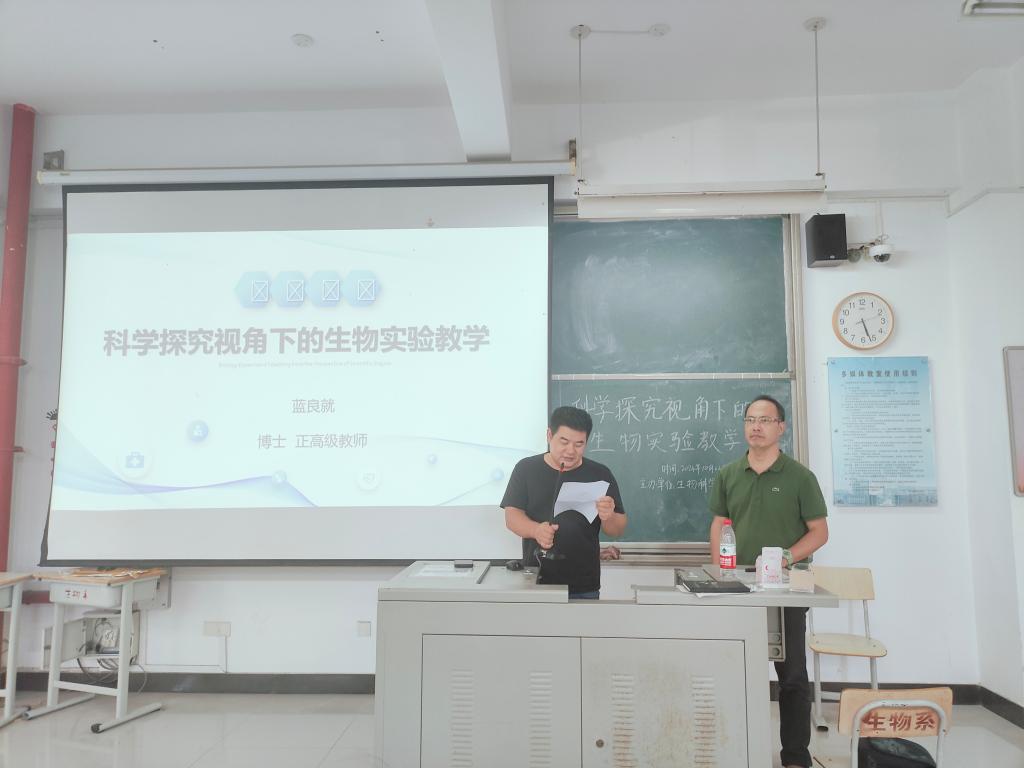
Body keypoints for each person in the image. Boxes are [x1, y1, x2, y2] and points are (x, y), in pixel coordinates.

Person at [708, 395, 828, 768]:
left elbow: (819, 531)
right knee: (733, 670)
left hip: (785, 587)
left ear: (781, 427)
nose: (756, 427)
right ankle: (734, 751)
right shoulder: (729, 474)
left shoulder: (800, 477)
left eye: (765, 420)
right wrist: (719, 571)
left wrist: (787, 557)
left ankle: (795, 756)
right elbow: (719, 523)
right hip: (738, 586)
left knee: (792, 676)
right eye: (750, 419)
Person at [502, 406, 627, 598]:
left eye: (579, 444)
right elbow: (512, 517)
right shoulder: (526, 469)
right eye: (564, 442)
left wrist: (608, 516)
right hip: (536, 579)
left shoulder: (600, 474)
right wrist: (536, 530)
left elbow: (616, 530)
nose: (570, 451)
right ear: (549, 435)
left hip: (584, 584)